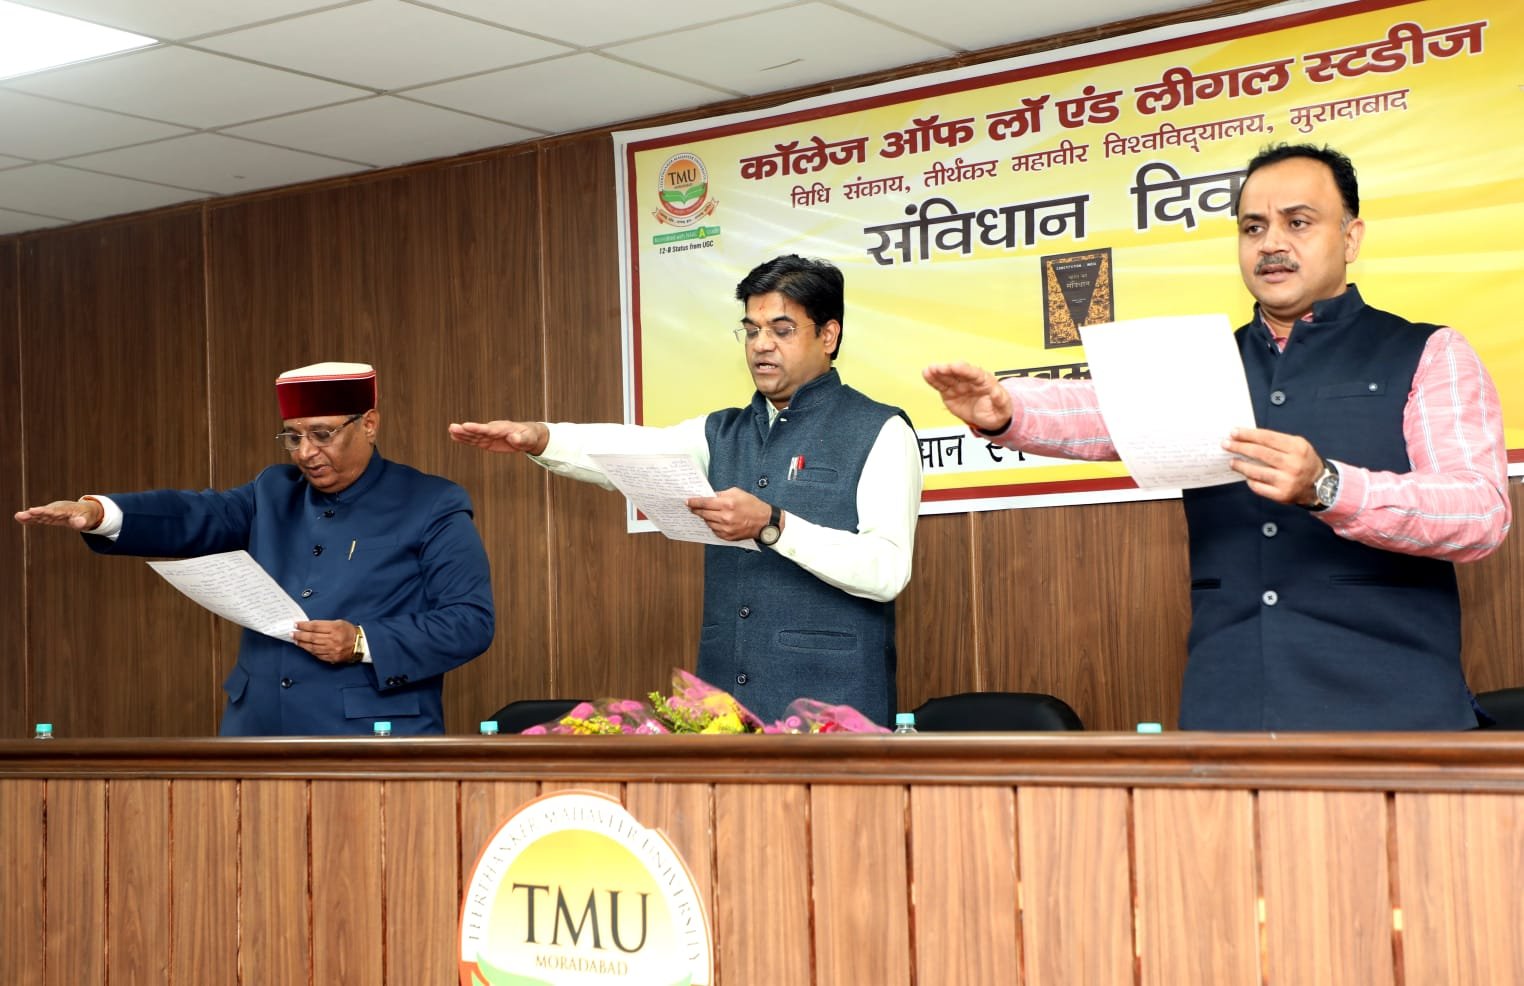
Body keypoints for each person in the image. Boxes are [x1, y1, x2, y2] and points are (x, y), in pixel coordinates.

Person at [924, 143, 1510, 731]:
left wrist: (1329, 486)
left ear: (1351, 238)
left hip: (1395, 719)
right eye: (1253, 228)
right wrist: (1006, 410)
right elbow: (1101, 413)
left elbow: (1478, 513)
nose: (1271, 243)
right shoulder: (1202, 363)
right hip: (1228, 715)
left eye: (1298, 223)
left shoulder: (1429, 352)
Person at [450, 255, 922, 725]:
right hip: (724, 716)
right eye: (751, 331)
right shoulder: (721, 432)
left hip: (838, 718)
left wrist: (774, 525)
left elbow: (887, 570)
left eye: (781, 330)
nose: (761, 345)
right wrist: (543, 437)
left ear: (828, 335)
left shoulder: (880, 429)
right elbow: (635, 450)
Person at [14, 362, 495, 736]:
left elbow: (469, 622)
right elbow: (195, 514)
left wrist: (361, 642)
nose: (305, 453)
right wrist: (100, 513)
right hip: (256, 732)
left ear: (369, 423)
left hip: (368, 736)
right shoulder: (273, 491)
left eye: (322, 434)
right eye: (293, 437)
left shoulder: (431, 502)